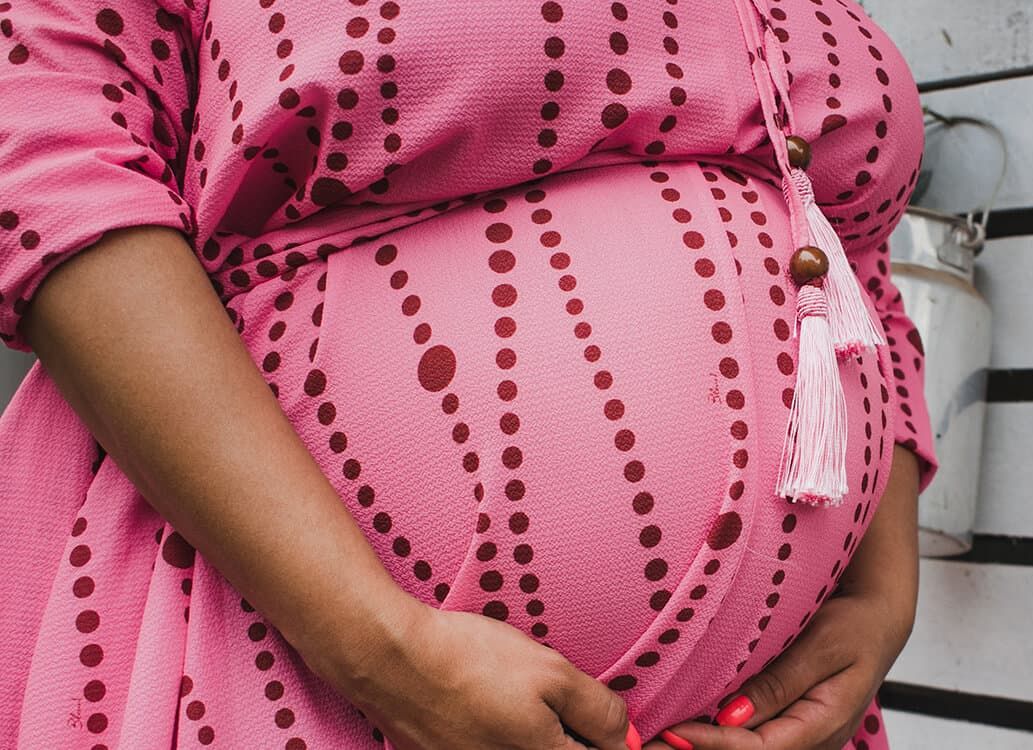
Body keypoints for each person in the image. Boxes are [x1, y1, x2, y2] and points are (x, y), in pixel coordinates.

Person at [0, 1, 939, 748]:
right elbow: (51, 170)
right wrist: (379, 651)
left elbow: (858, 269)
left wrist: (883, 595)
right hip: (296, 667)